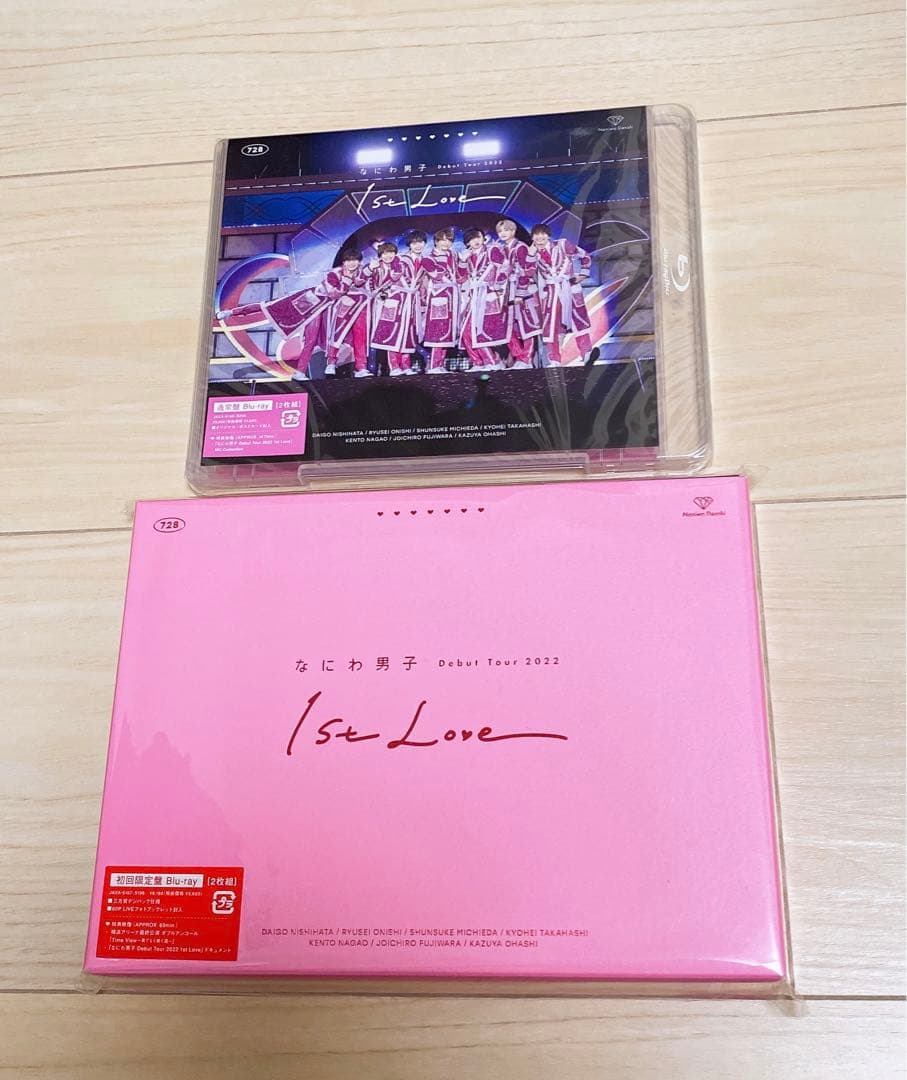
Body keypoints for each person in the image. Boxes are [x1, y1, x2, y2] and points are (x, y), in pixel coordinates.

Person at [529, 223, 593, 367]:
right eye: (536, 234)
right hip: (551, 293)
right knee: (551, 326)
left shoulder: (562, 244)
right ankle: (554, 360)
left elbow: (584, 255)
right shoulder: (533, 254)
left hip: (569, 288)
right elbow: (527, 272)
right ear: (532, 237)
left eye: (543, 233)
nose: (540, 237)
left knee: (579, 320)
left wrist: (583, 274)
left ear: (548, 235)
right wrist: (530, 255)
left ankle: (587, 353)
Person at [458, 227, 511, 371]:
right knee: (466, 332)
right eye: (472, 239)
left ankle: (492, 362)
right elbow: (460, 278)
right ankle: (480, 362)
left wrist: (497, 284)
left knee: (480, 332)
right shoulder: (467, 256)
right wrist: (462, 261)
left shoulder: (491, 250)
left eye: (478, 237)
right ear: (467, 242)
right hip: (473, 297)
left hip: (488, 296)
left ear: (483, 238)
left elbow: (505, 267)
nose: (476, 241)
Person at [494, 219, 542, 369]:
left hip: (523, 291)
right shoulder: (503, 249)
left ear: (513, 231)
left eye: (506, 230)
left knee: (527, 325)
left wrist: (520, 294)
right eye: (500, 231)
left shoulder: (520, 247)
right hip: (509, 291)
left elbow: (526, 271)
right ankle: (520, 356)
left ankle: (526, 359)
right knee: (509, 327)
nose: (503, 233)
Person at [321, 249, 372, 377]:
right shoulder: (335, 273)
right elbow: (332, 293)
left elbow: (368, 287)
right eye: (349, 260)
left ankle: (361, 367)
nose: (352, 263)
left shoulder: (364, 272)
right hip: (343, 307)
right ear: (344, 262)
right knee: (337, 334)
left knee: (361, 336)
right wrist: (345, 283)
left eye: (355, 260)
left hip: (361, 307)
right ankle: (331, 363)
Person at [368, 242, 412, 375]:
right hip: (384, 304)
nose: (388, 256)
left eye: (391, 252)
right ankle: (393, 366)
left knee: (403, 333)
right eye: (385, 253)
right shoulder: (376, 268)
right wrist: (381, 293)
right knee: (389, 334)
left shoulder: (400, 265)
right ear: (380, 255)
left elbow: (408, 281)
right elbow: (370, 286)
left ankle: (405, 365)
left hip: (402, 303)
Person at [421, 227, 460, 373]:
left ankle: (440, 364)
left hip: (452, 296)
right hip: (438, 296)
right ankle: (434, 365)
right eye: (442, 240)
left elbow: (460, 275)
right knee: (437, 330)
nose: (446, 243)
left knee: (448, 331)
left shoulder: (453, 255)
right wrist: (443, 258)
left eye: (449, 240)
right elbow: (437, 275)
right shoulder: (428, 258)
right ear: (436, 241)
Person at [395, 230, 429, 372]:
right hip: (400, 299)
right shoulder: (400, 259)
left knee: (410, 333)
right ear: (409, 244)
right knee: (397, 332)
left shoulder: (425, 261)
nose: (418, 245)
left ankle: (406, 365)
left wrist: (423, 302)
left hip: (414, 300)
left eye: (420, 242)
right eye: (414, 243)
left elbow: (424, 284)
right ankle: (394, 366)